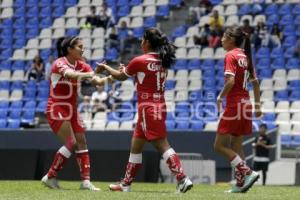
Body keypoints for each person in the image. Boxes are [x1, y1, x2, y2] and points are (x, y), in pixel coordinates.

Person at [95, 28, 193, 193]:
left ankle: (182, 178)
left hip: (147, 107)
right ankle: (126, 184)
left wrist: (105, 67)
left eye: (142, 40)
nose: (141, 42)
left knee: (161, 144)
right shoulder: (163, 60)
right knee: (136, 145)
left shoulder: (140, 60)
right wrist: (124, 70)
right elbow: (138, 75)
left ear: (147, 42)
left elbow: (120, 77)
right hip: (159, 105)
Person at [41, 36, 115, 191]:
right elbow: (71, 75)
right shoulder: (59, 63)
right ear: (70, 49)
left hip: (72, 109)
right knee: (72, 142)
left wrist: (111, 77)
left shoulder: (83, 65)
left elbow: (98, 82)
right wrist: (90, 74)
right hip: (57, 107)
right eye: (80, 46)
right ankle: (50, 176)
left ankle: (86, 182)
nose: (83, 49)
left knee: (81, 141)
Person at [214, 26, 262, 193]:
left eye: (223, 37)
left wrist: (220, 97)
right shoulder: (246, 57)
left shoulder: (230, 55)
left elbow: (230, 82)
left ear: (231, 40)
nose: (221, 40)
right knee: (236, 145)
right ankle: (240, 184)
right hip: (246, 103)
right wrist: (258, 106)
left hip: (234, 105)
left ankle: (248, 172)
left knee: (219, 146)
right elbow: (255, 83)